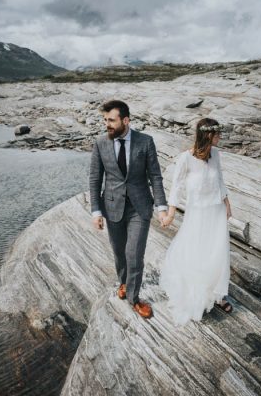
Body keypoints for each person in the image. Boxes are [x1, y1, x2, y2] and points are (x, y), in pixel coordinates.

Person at [89, 100, 168, 319]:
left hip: (139, 207)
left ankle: (134, 297)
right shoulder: (100, 143)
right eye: (105, 120)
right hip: (112, 206)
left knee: (134, 254)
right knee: (119, 253)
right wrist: (96, 211)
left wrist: (162, 207)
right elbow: (95, 179)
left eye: (111, 120)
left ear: (126, 120)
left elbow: (155, 177)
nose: (107, 125)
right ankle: (123, 281)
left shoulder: (146, 142)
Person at [159, 118, 233, 326]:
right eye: (217, 134)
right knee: (197, 252)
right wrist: (171, 213)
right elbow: (176, 187)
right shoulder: (186, 158)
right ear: (208, 135)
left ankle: (217, 294)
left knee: (217, 253)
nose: (220, 137)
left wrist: (227, 202)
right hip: (197, 214)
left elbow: (220, 180)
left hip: (216, 211)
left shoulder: (216, 154)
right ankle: (197, 295)